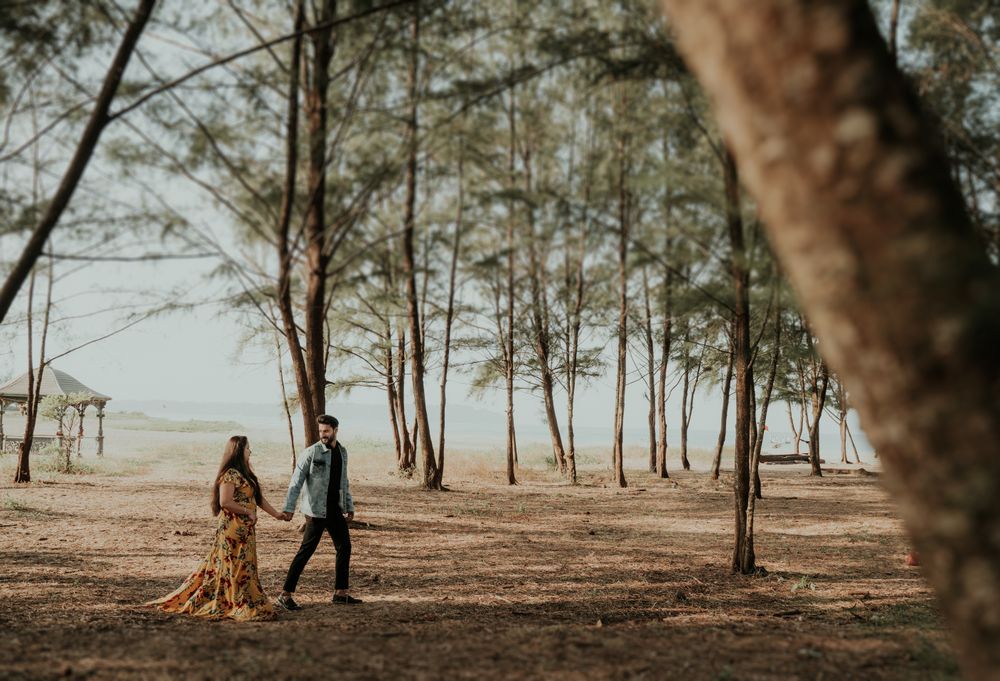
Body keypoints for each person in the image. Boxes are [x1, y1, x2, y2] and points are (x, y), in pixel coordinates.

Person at [148, 435, 288, 621]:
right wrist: (248, 512)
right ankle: (234, 602)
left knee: (245, 565)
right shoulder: (230, 474)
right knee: (234, 565)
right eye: (247, 448)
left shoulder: (246, 473)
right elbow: (225, 502)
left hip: (245, 529)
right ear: (239, 451)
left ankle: (245, 598)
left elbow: (258, 499)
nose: (250, 451)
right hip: (232, 529)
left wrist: (277, 514)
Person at [277, 414, 361, 609]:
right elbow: (296, 482)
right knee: (306, 551)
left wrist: (349, 506)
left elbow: (344, 482)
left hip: (335, 511)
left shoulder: (342, 452)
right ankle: (285, 594)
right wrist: (288, 509)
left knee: (344, 547)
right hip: (315, 512)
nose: (323, 435)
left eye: (326, 431)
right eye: (321, 431)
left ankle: (341, 592)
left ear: (335, 431)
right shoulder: (311, 453)